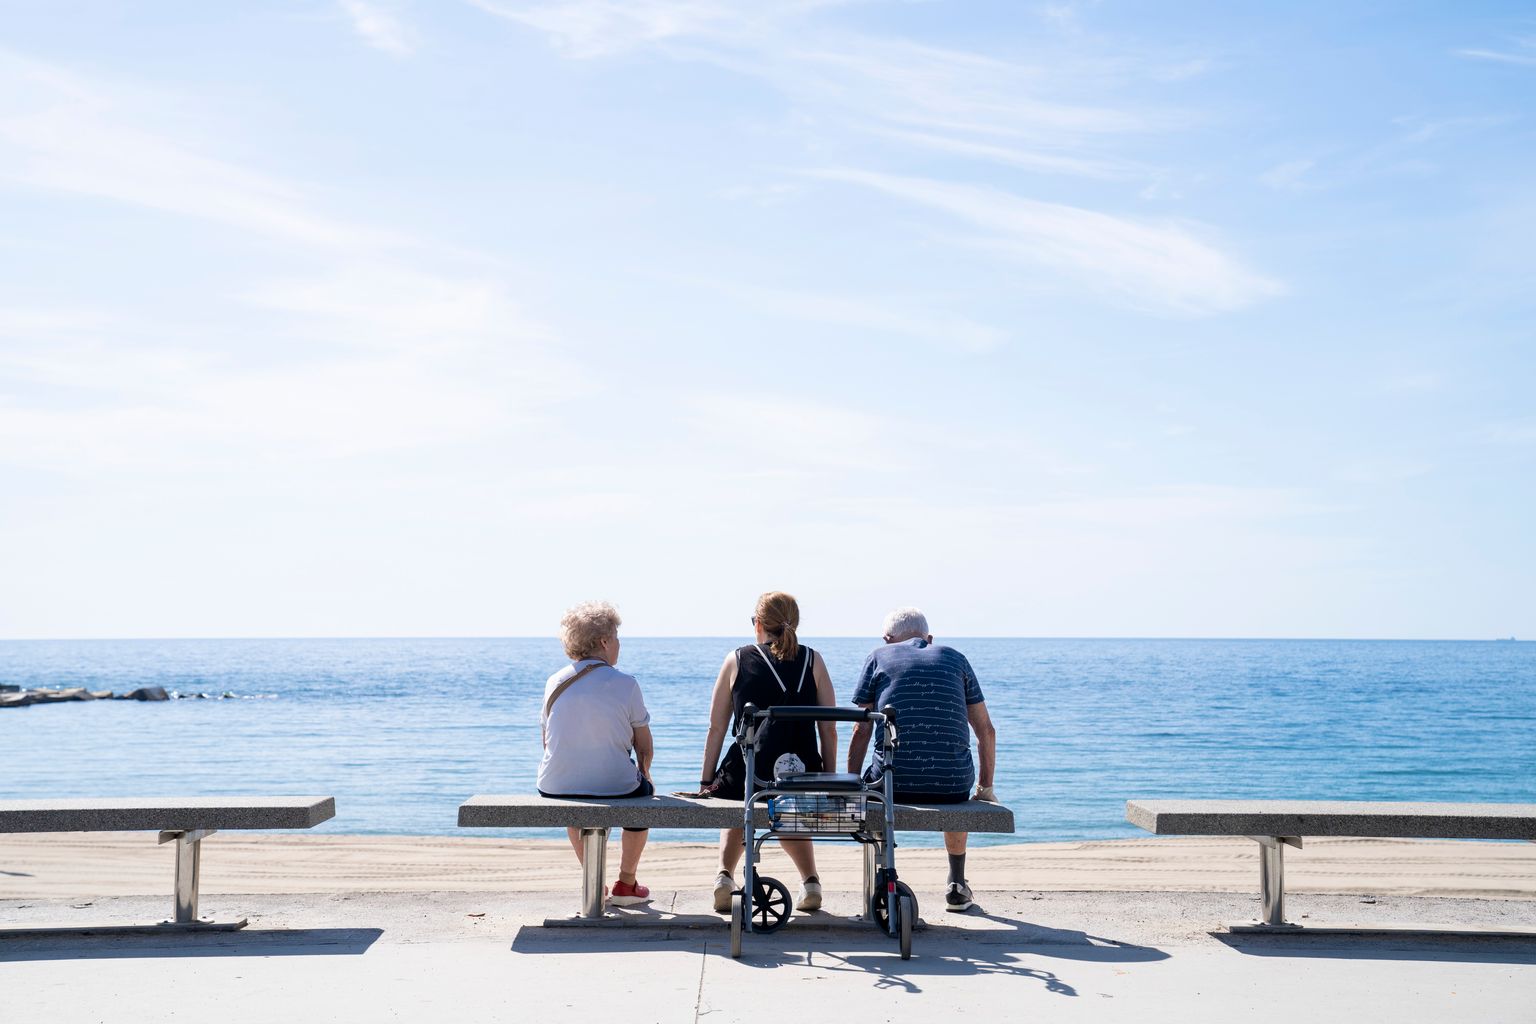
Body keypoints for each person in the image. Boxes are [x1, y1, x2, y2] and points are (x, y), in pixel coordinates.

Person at [846, 606, 997, 912]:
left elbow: (861, 729)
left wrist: (852, 782)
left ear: (887, 638)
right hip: (952, 786)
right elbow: (986, 731)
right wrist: (985, 788)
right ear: (929, 638)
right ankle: (957, 882)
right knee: (950, 770)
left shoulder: (878, 656)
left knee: (876, 784)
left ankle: (884, 876)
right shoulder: (956, 659)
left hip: (893, 783)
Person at [696, 591, 839, 915]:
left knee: (738, 797)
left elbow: (716, 729)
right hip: (801, 774)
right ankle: (811, 881)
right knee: (789, 806)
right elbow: (828, 729)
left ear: (759, 623)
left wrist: (706, 780)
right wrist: (829, 780)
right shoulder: (813, 661)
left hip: (750, 774)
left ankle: (724, 876)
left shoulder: (737, 659)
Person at [537, 600, 654, 906]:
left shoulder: (554, 682)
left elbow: (547, 742)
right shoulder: (626, 684)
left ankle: (595, 883)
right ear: (604, 642)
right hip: (616, 785)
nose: (618, 644)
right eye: (616, 637)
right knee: (641, 797)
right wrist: (645, 774)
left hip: (555, 786)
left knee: (574, 800)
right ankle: (626, 883)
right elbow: (644, 746)